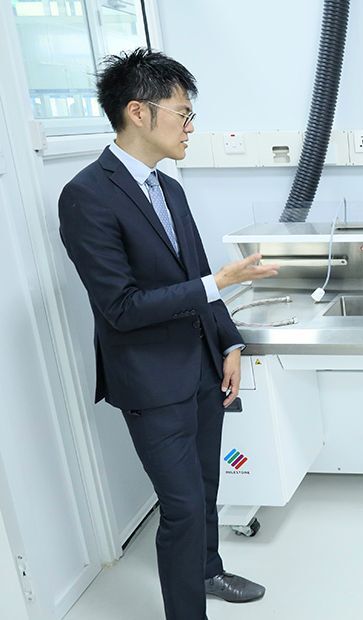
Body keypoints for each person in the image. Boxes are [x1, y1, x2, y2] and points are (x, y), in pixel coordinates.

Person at [58, 49, 277, 620]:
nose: (189, 127)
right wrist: (219, 282)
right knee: (180, 508)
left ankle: (208, 571)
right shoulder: (86, 196)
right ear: (138, 112)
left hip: (203, 366)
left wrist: (229, 343)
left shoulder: (169, 187)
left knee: (206, 490)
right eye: (182, 114)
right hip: (151, 382)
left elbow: (197, 273)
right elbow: (122, 307)